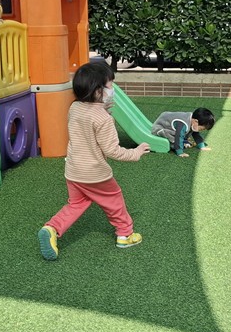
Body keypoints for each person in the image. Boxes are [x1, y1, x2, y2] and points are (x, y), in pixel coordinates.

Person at [37, 63, 151, 260]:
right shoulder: (103, 119)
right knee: (114, 200)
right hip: (95, 174)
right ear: (98, 91)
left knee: (76, 203)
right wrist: (136, 152)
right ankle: (125, 234)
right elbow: (113, 151)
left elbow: (88, 118)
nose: (113, 88)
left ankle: (52, 228)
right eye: (110, 84)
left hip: (73, 170)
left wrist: (102, 108)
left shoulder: (74, 108)